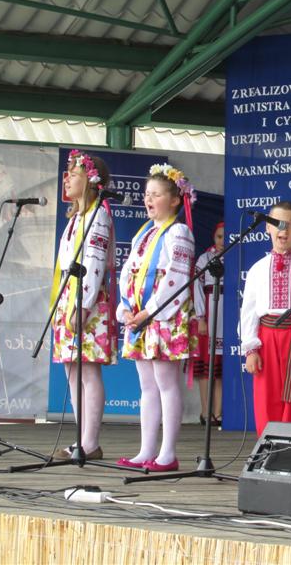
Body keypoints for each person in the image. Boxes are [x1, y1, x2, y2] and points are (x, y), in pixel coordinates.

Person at [116, 164, 199, 472]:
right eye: (146, 194)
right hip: (140, 318)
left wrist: (148, 312)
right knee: (147, 386)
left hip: (163, 316)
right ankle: (146, 450)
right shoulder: (144, 233)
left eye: (156, 195)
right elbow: (128, 274)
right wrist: (124, 308)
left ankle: (168, 452)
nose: (148, 200)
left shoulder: (179, 232)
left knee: (166, 383)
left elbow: (175, 279)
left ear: (175, 199)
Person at [52, 150, 116, 460]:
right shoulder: (77, 216)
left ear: (91, 182)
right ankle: (81, 438)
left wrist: (83, 305)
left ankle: (90, 443)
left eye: (74, 174)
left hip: (86, 299)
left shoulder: (98, 215)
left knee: (88, 371)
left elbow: (94, 262)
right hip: (69, 297)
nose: (67, 178)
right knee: (72, 369)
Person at [240, 202, 291, 436]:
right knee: (266, 396)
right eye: (277, 224)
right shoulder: (258, 269)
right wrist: (250, 349)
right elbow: (249, 310)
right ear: (266, 228)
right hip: (266, 337)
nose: (283, 230)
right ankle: (268, 447)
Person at [191, 221, 225, 427]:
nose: (222, 241)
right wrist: (200, 317)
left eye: (226, 237)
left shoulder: (234, 255)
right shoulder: (205, 258)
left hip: (226, 314)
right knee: (206, 369)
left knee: (221, 370)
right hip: (210, 311)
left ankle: (219, 413)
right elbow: (196, 287)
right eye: (219, 236)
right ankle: (205, 412)